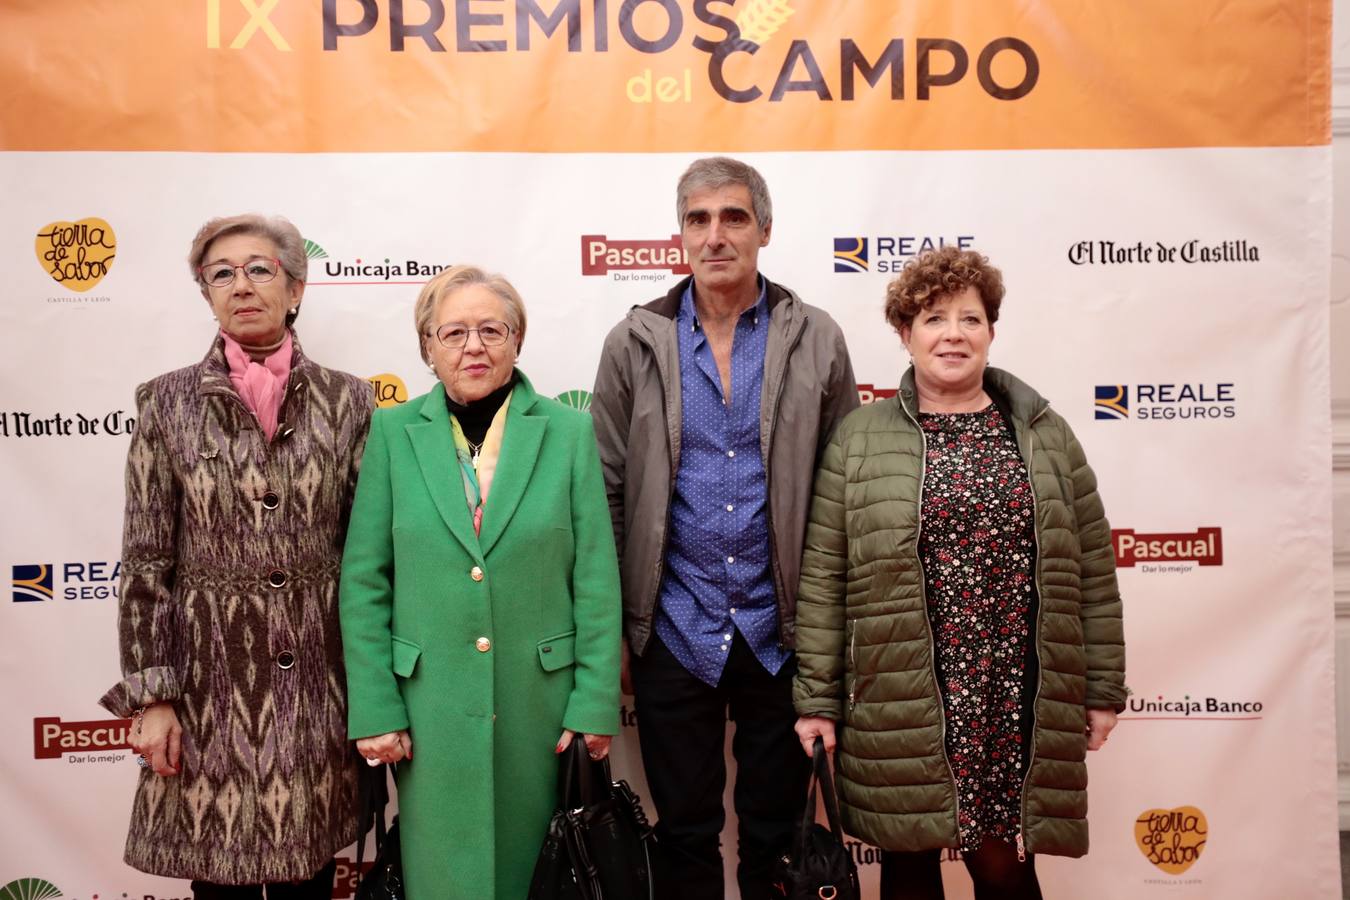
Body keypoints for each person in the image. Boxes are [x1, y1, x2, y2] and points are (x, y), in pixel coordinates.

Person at [793, 246, 1127, 900]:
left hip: (1013, 694)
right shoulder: (859, 439)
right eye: (934, 318)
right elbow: (824, 582)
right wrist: (817, 702)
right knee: (909, 865)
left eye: (970, 319)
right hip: (903, 692)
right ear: (904, 334)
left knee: (1004, 866)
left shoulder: (1044, 434)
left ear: (991, 331)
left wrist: (1102, 688)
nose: (953, 334)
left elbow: (1090, 568)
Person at [590, 156, 859, 899]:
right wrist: (613, 626)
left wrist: (832, 630)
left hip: (784, 634)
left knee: (777, 840)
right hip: (674, 627)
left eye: (733, 217)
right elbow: (607, 492)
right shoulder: (634, 342)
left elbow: (843, 495)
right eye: (698, 219)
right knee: (683, 833)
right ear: (679, 236)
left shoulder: (817, 339)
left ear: (764, 230)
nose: (716, 235)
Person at [99, 214, 375, 897]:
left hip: (319, 683)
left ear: (296, 287)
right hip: (208, 687)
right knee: (216, 878)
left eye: (260, 269)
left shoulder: (352, 401)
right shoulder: (165, 404)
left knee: (309, 873)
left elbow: (373, 557)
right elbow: (144, 559)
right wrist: (153, 695)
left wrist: (374, 692)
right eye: (222, 273)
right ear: (206, 294)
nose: (242, 285)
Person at [339, 264, 621, 898]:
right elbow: (363, 582)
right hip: (426, 713)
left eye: (492, 329)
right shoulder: (391, 433)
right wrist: (376, 707)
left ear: (517, 340)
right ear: (427, 349)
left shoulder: (569, 432)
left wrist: (595, 702)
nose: (474, 346)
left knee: (538, 878)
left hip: (541, 709)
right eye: (454, 332)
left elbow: (596, 581)